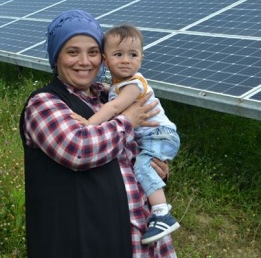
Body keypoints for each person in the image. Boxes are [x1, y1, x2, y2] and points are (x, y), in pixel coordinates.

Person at [19, 9, 176, 258]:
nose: (85, 61)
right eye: (73, 52)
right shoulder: (44, 104)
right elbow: (78, 150)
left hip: (142, 236)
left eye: (92, 52)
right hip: (86, 241)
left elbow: (139, 147)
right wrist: (126, 121)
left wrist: (157, 168)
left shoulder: (108, 96)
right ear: (56, 57)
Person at [72, 24, 181, 245]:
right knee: (144, 168)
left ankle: (162, 213)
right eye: (118, 54)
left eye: (133, 55)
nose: (125, 60)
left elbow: (112, 108)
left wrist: (89, 123)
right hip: (155, 136)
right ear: (105, 59)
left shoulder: (134, 85)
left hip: (159, 135)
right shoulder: (118, 85)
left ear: (141, 57)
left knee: (142, 167)